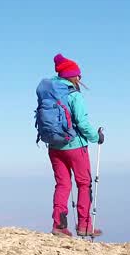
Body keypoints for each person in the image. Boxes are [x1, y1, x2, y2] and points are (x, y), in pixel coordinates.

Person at [44, 54, 103, 237]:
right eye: (78, 75)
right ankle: (85, 226)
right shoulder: (74, 95)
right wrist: (97, 137)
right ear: (72, 75)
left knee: (62, 184)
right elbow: (83, 124)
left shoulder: (50, 93)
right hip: (75, 146)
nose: (80, 78)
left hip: (54, 146)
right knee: (84, 184)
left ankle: (59, 226)